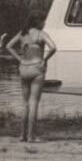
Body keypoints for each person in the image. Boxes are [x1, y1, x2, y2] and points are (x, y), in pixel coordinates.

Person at [5, 11, 57, 142]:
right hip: (36, 68)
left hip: (23, 68)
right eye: (43, 21)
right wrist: (44, 59)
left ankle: (22, 135)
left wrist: (19, 59)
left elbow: (8, 46)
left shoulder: (22, 34)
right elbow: (53, 47)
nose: (44, 23)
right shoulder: (41, 34)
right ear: (38, 22)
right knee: (34, 103)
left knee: (25, 103)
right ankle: (31, 136)